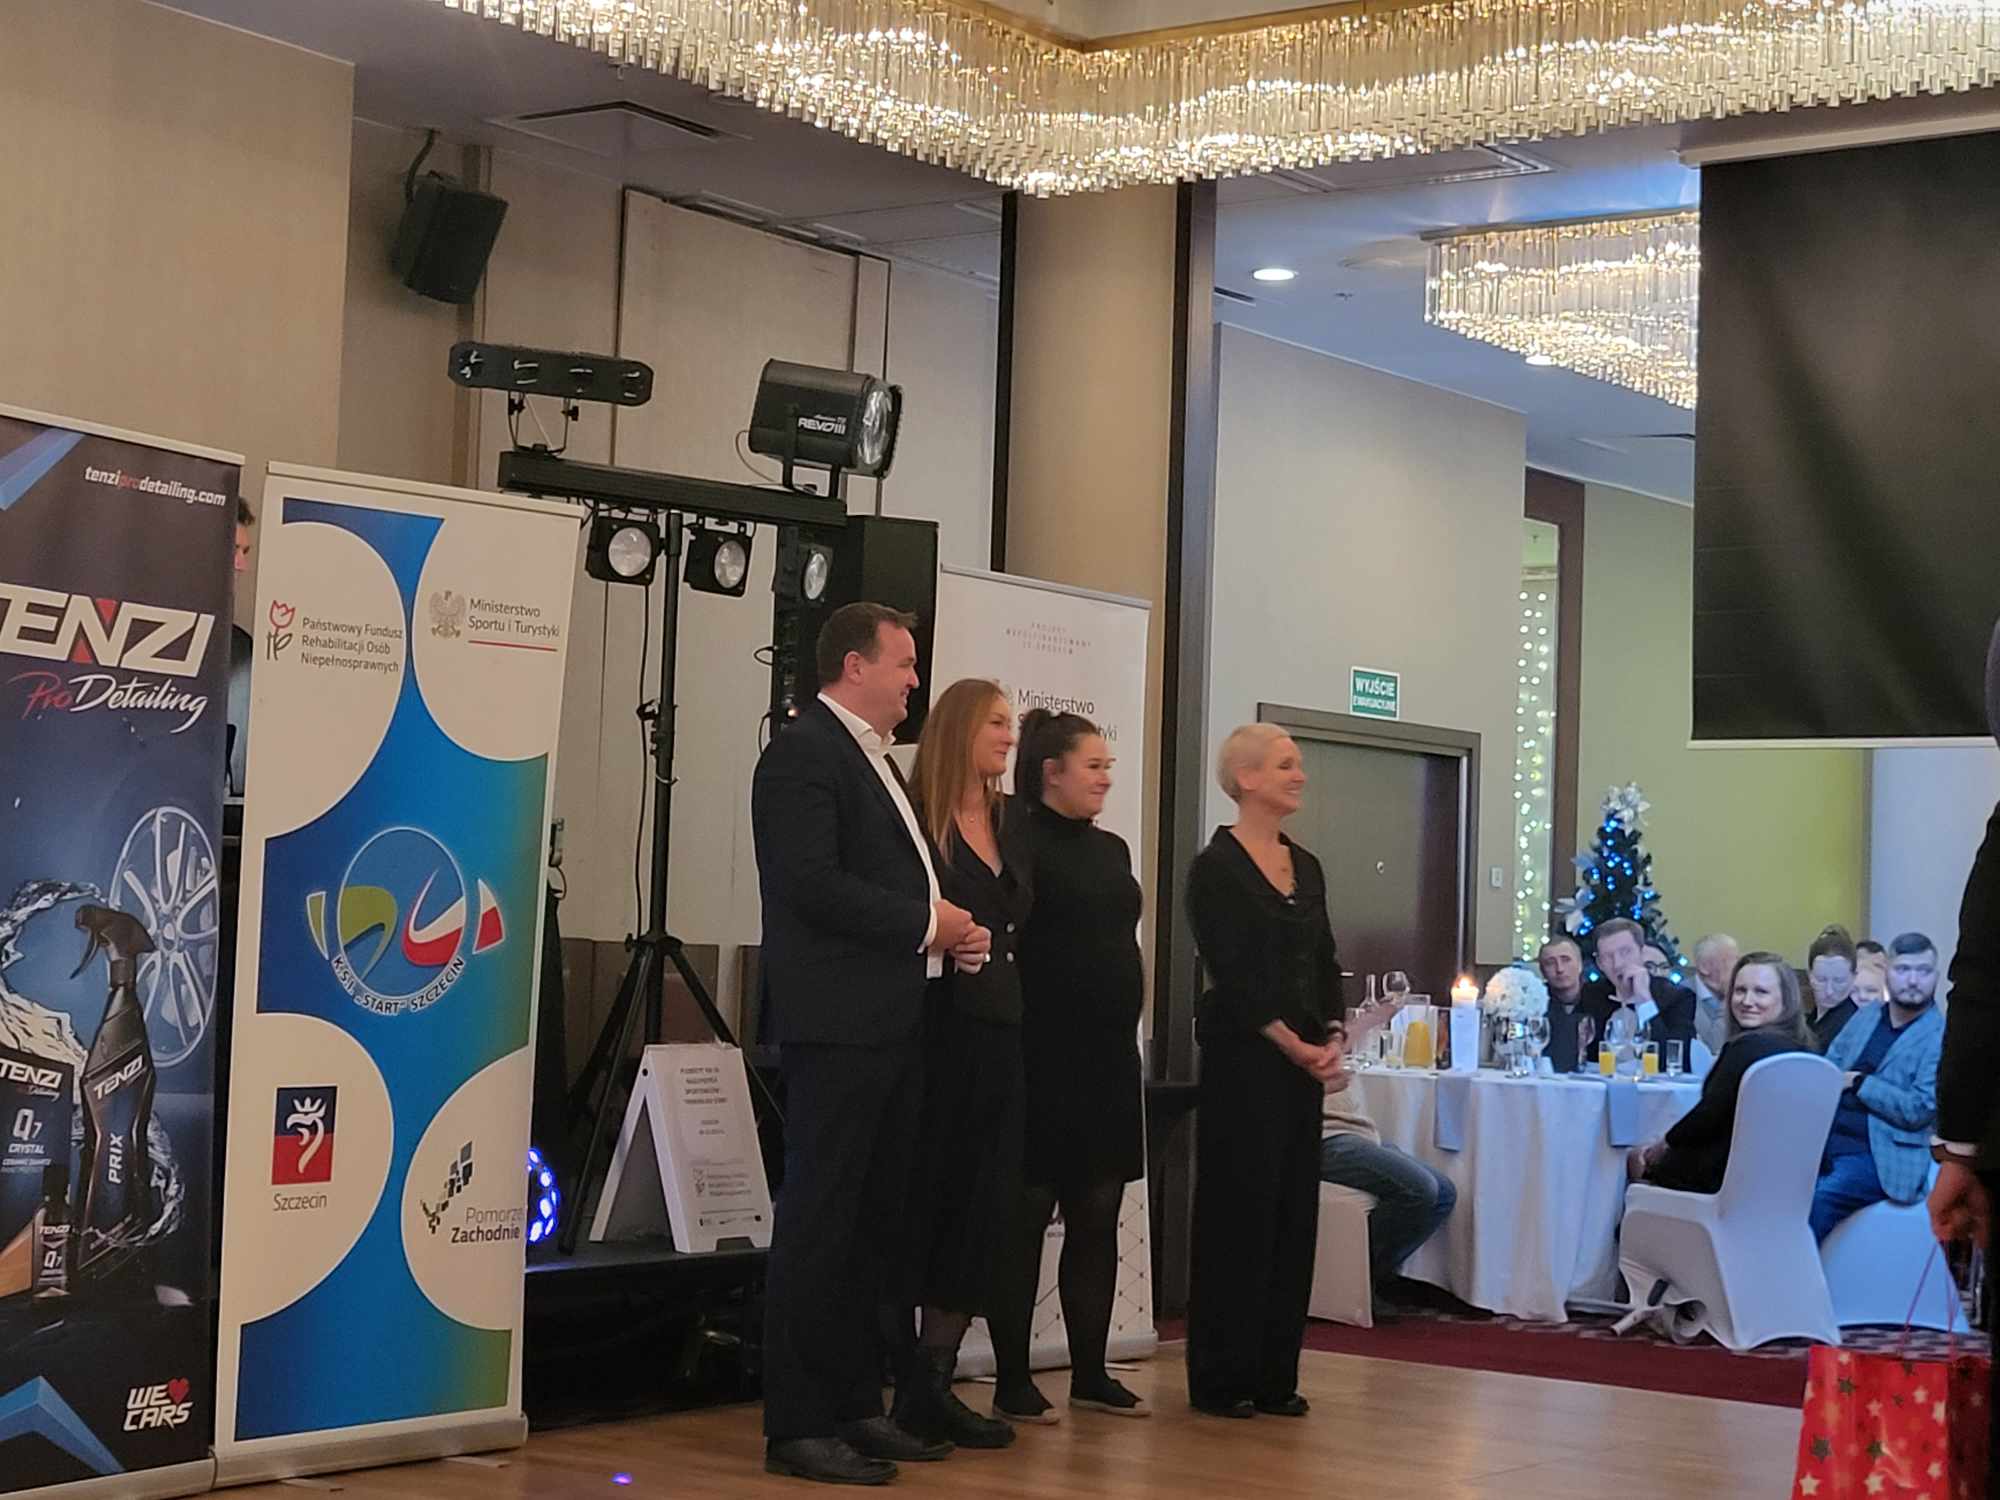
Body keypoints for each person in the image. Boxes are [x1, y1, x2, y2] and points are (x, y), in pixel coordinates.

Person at [751, 602, 984, 1487]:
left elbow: (883, 880)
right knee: (821, 1224)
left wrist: (950, 938)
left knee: (871, 1226)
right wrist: (928, 924)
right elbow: (811, 884)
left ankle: (854, 1404)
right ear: (854, 666)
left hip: (893, 1022)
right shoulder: (804, 754)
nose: (916, 680)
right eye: (905, 663)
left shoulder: (874, 759)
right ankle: (798, 1422)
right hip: (839, 1027)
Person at [990, 711, 1150, 1425]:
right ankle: (1012, 1378)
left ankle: (1090, 1371)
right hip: (1041, 1052)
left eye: (1108, 765)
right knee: (1026, 1214)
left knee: (1098, 1210)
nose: (1106, 777)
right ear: (1051, 772)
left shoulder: (1112, 848)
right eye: (1094, 765)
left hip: (1108, 1055)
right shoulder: (1015, 837)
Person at [1185, 724, 1341, 1420]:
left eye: (1298, 764)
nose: (1299, 775)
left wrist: (1331, 1036)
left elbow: (1324, 960)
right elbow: (1234, 973)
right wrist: (1290, 1043)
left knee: (1290, 1214)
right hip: (1244, 1061)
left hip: (1300, 1065)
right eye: (1285, 765)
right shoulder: (1215, 868)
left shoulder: (1307, 865)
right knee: (1239, 1212)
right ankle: (1223, 1377)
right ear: (1246, 778)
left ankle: (1276, 1373)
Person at [893, 680, 1026, 1452]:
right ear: (959, 729)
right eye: (996, 722)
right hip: (936, 1034)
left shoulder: (1011, 821)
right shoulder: (918, 819)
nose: (1009, 736)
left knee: (982, 1207)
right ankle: (904, 1381)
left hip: (1002, 1033)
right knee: (928, 1199)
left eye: (1012, 723)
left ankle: (935, 1381)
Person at [1626, 953, 1813, 1193]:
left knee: (1636, 1158)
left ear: (1786, 1000)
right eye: (1740, 990)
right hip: (1782, 1183)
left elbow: (1707, 1116)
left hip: (1720, 1179)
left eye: (1761, 992)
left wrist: (1663, 1144)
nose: (1747, 1001)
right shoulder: (1806, 1053)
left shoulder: (1745, 1048)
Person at [1809, 931, 1944, 1240]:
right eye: (1903, 970)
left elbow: (1919, 1109)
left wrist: (1860, 1082)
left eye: (1923, 971)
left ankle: (1790, 1271)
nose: (1913, 980)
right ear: (1888, 973)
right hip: (1827, 1140)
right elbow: (1830, 1066)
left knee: (1821, 1198)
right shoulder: (1867, 1016)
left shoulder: (1939, 1036)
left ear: (1935, 977)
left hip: (1882, 1156)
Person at [1319, 1068, 1456, 1320]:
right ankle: (1360, 1277)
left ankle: (1379, 1275)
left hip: (1355, 1131)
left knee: (1445, 1192)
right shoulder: (1291, 1048)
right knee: (1420, 1189)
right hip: (1323, 1137)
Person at [1587, 919, 1698, 1061]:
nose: (1617, 964)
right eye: (1608, 957)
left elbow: (1674, 1058)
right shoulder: (1591, 995)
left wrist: (1644, 1000)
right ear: (1599, 964)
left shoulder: (1677, 997)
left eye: (1625, 952)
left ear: (1642, 953)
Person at [1539, 936, 1610, 1074]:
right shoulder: (1537, 1003)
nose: (1559, 969)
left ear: (1580, 965)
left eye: (1566, 960)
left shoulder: (1602, 1000)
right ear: (1542, 971)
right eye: (1550, 963)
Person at [1805, 925, 1863, 1053]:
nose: (1829, 991)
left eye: (1839, 981)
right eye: (1821, 980)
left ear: (1854, 977)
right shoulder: (1807, 1020)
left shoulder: (1855, 1026)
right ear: (1809, 975)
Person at [1688, 934, 1740, 1057]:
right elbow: (1712, 1047)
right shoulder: (1684, 997)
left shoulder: (1743, 996)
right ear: (1705, 967)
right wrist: (1728, 1001)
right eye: (1733, 961)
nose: (1739, 970)